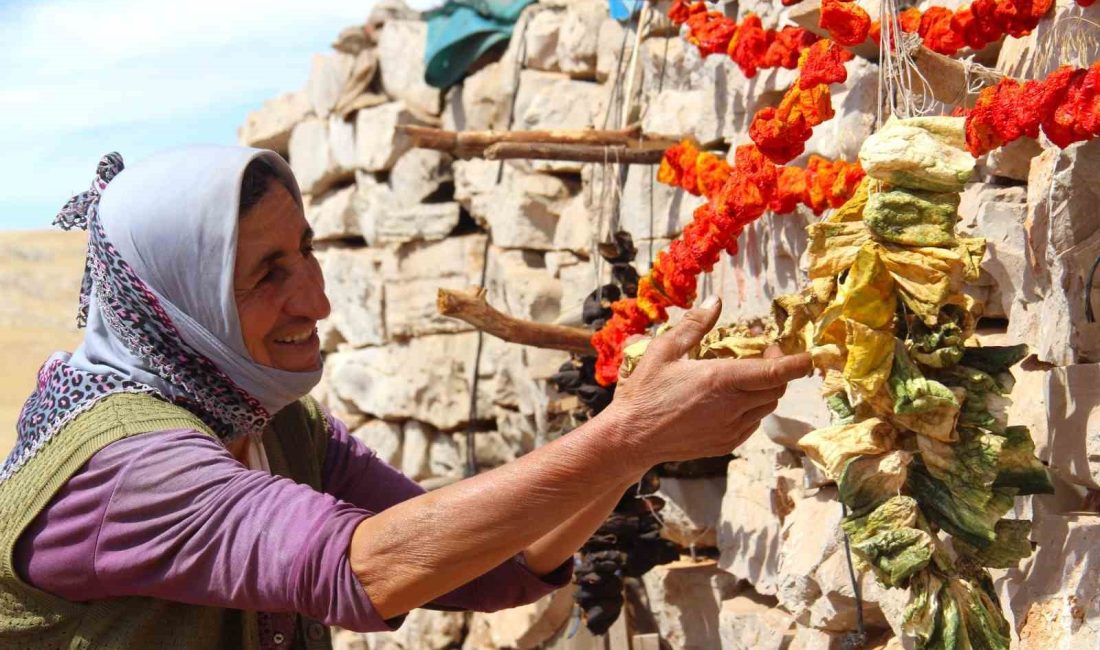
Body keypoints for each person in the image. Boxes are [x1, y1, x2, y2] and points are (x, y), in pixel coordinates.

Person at [0, 147, 811, 649]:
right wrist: (629, 436)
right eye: (266, 274)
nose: (316, 300)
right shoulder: (120, 472)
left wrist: (642, 435)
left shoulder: (277, 426)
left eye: (306, 250)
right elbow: (365, 568)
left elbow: (485, 566)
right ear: (175, 302)